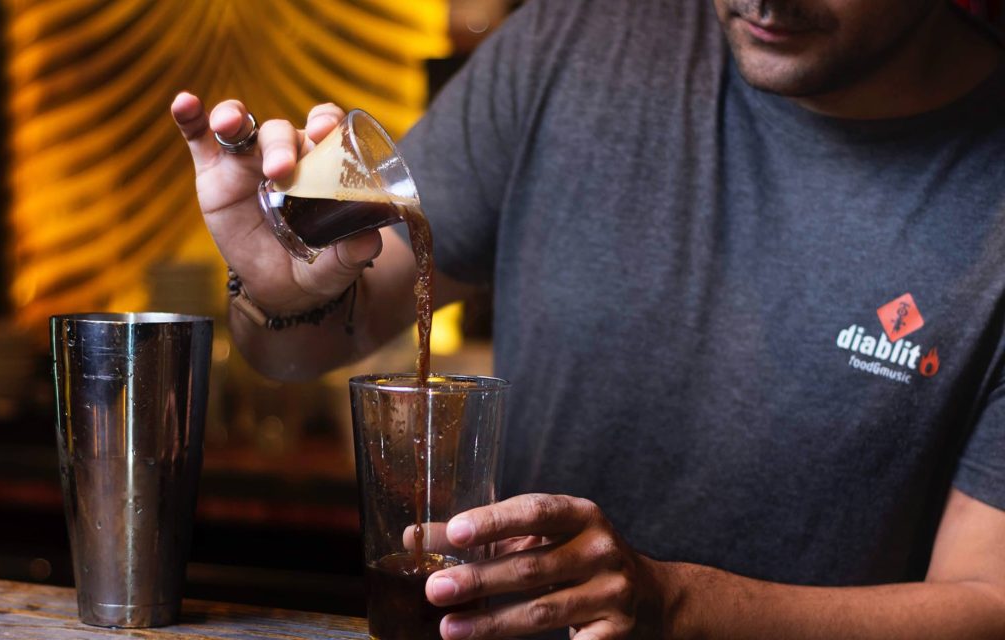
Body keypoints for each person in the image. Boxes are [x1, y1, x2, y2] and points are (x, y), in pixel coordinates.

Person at [172, 0, 1005, 637]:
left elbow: (987, 602)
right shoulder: (576, 39)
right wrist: (280, 292)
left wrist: (674, 603)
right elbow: (305, 344)